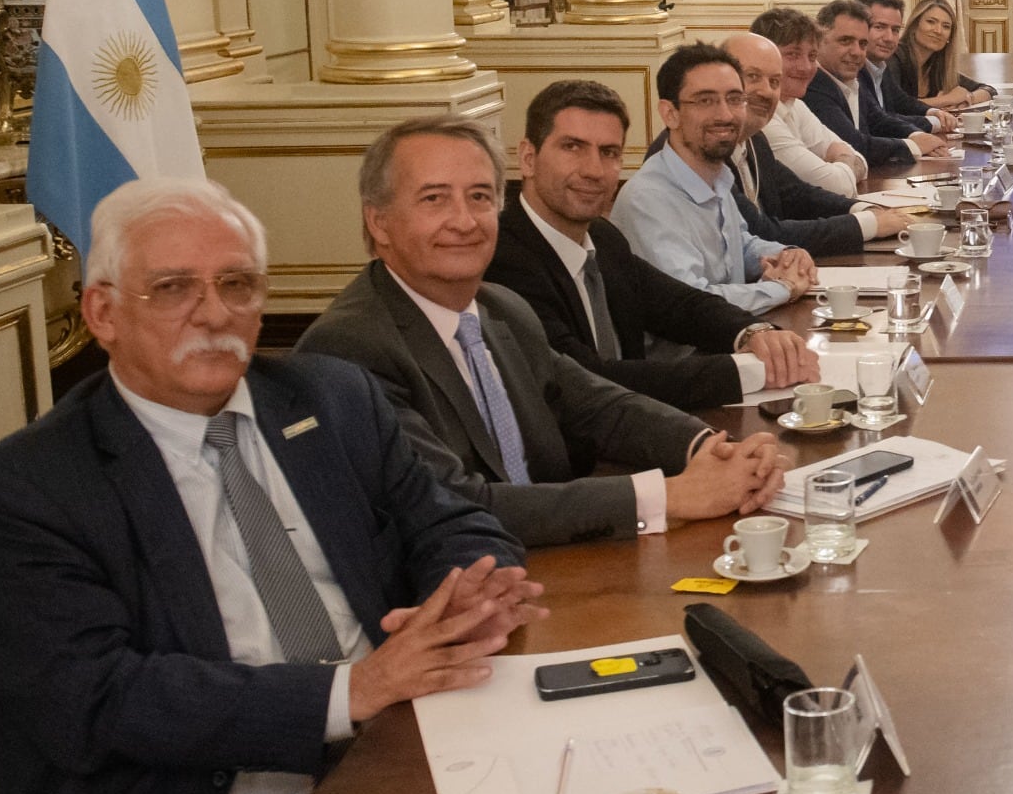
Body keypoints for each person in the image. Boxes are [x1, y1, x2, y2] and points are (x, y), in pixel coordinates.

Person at [0, 179, 541, 794]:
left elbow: (449, 519)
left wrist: (468, 592)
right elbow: (94, 700)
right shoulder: (30, 487)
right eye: (173, 288)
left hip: (402, 783)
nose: (213, 313)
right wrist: (355, 689)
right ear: (102, 313)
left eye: (237, 284)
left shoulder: (329, 399)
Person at [301, 117, 784, 547]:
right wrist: (671, 495)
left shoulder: (500, 307)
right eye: (434, 199)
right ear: (378, 222)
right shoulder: (350, 347)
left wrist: (709, 450)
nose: (465, 221)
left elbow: (599, 406)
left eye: (480, 197)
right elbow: (456, 502)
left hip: (555, 563)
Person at [488, 78, 817, 411]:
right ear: (528, 158)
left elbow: (679, 304)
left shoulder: (602, 237)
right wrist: (749, 370)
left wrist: (754, 333)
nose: (593, 170)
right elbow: (588, 379)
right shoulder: (504, 259)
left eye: (608, 152)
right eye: (572, 147)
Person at [612, 45, 824, 314]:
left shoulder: (718, 177)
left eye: (735, 99)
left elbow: (740, 244)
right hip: (690, 353)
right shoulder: (648, 199)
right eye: (705, 101)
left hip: (734, 341)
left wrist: (787, 254)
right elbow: (693, 301)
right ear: (670, 113)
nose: (725, 115)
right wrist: (783, 288)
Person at [718, 30, 904, 250]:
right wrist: (867, 224)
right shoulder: (712, 151)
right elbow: (760, 232)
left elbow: (799, 195)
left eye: (775, 81)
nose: (767, 92)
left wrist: (865, 209)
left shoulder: (754, 140)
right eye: (753, 77)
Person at [805, 0, 953, 168]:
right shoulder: (812, 84)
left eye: (862, 44)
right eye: (845, 41)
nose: (856, 52)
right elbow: (853, 145)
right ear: (818, 41)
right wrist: (913, 145)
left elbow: (879, 120)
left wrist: (915, 134)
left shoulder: (850, 78)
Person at [749, 5, 872, 195]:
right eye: (793, 54)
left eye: (812, 56)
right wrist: (844, 160)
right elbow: (835, 186)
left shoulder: (795, 104)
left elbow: (860, 160)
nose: (806, 67)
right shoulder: (762, 118)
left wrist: (841, 161)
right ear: (765, 57)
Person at [856, 0, 957, 134]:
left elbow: (903, 102)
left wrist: (932, 112)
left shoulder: (879, 65)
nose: (889, 38)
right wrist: (934, 122)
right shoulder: (854, 70)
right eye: (879, 27)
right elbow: (879, 121)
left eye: (895, 30)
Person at [891, 0, 992, 111]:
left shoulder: (935, 65)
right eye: (931, 22)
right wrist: (947, 99)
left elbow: (989, 90)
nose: (938, 31)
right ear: (914, 25)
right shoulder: (895, 57)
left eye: (946, 26)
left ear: (950, 37)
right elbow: (894, 106)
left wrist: (967, 98)